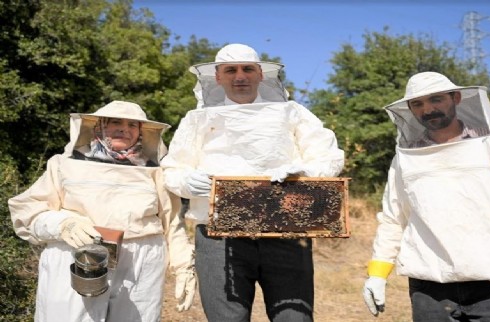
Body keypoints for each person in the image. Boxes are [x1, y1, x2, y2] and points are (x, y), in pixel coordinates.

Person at [161, 43, 345, 322]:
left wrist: (305, 172)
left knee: (294, 318)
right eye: (230, 70)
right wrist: (188, 181)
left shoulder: (292, 112)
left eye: (248, 69)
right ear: (218, 77)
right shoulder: (196, 119)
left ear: (260, 74)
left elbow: (328, 157)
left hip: (286, 231)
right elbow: (172, 170)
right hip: (217, 236)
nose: (240, 77)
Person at [8, 100, 196, 322]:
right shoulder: (62, 164)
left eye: (132, 125)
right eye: (115, 122)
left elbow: (172, 223)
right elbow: (28, 212)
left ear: (141, 132)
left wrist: (184, 266)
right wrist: (63, 224)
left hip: (140, 263)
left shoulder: (155, 172)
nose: (124, 129)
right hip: (76, 256)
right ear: (98, 126)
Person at [362, 71, 490, 321]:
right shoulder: (406, 158)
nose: (427, 110)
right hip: (429, 288)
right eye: (417, 104)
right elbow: (394, 218)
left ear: (456, 98)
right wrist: (377, 273)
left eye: (435, 99)